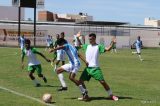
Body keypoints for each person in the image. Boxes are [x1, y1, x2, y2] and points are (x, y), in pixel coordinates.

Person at [77, 33, 119, 101]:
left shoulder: (99, 46)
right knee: (80, 81)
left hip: (95, 68)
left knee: (102, 82)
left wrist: (113, 43)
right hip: (87, 69)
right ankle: (85, 95)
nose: (90, 40)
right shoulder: (87, 46)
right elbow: (80, 45)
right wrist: (77, 38)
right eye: (89, 39)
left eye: (91, 39)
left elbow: (108, 49)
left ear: (94, 38)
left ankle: (111, 95)